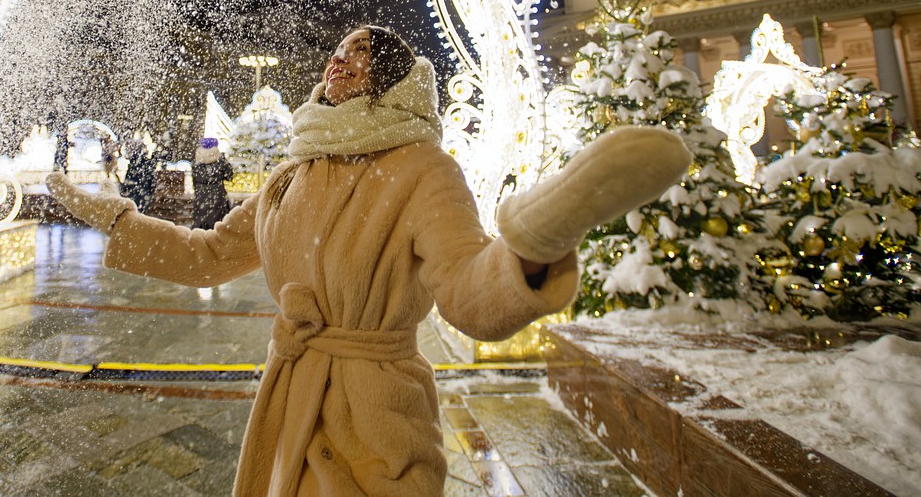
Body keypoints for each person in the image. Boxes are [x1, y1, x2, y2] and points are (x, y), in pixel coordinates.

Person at [46, 25, 690, 495]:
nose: (341, 59)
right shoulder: (289, 174)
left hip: (376, 417)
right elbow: (209, 255)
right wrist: (115, 216)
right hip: (290, 398)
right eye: (339, 49)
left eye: (363, 52)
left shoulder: (421, 169)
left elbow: (466, 289)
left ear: (394, 79)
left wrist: (535, 246)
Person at [191, 137, 234, 230]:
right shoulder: (219, 159)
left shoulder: (197, 160)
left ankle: (201, 240)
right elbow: (229, 176)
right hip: (217, 194)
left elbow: (194, 179)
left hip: (201, 194)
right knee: (218, 223)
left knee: (201, 223)